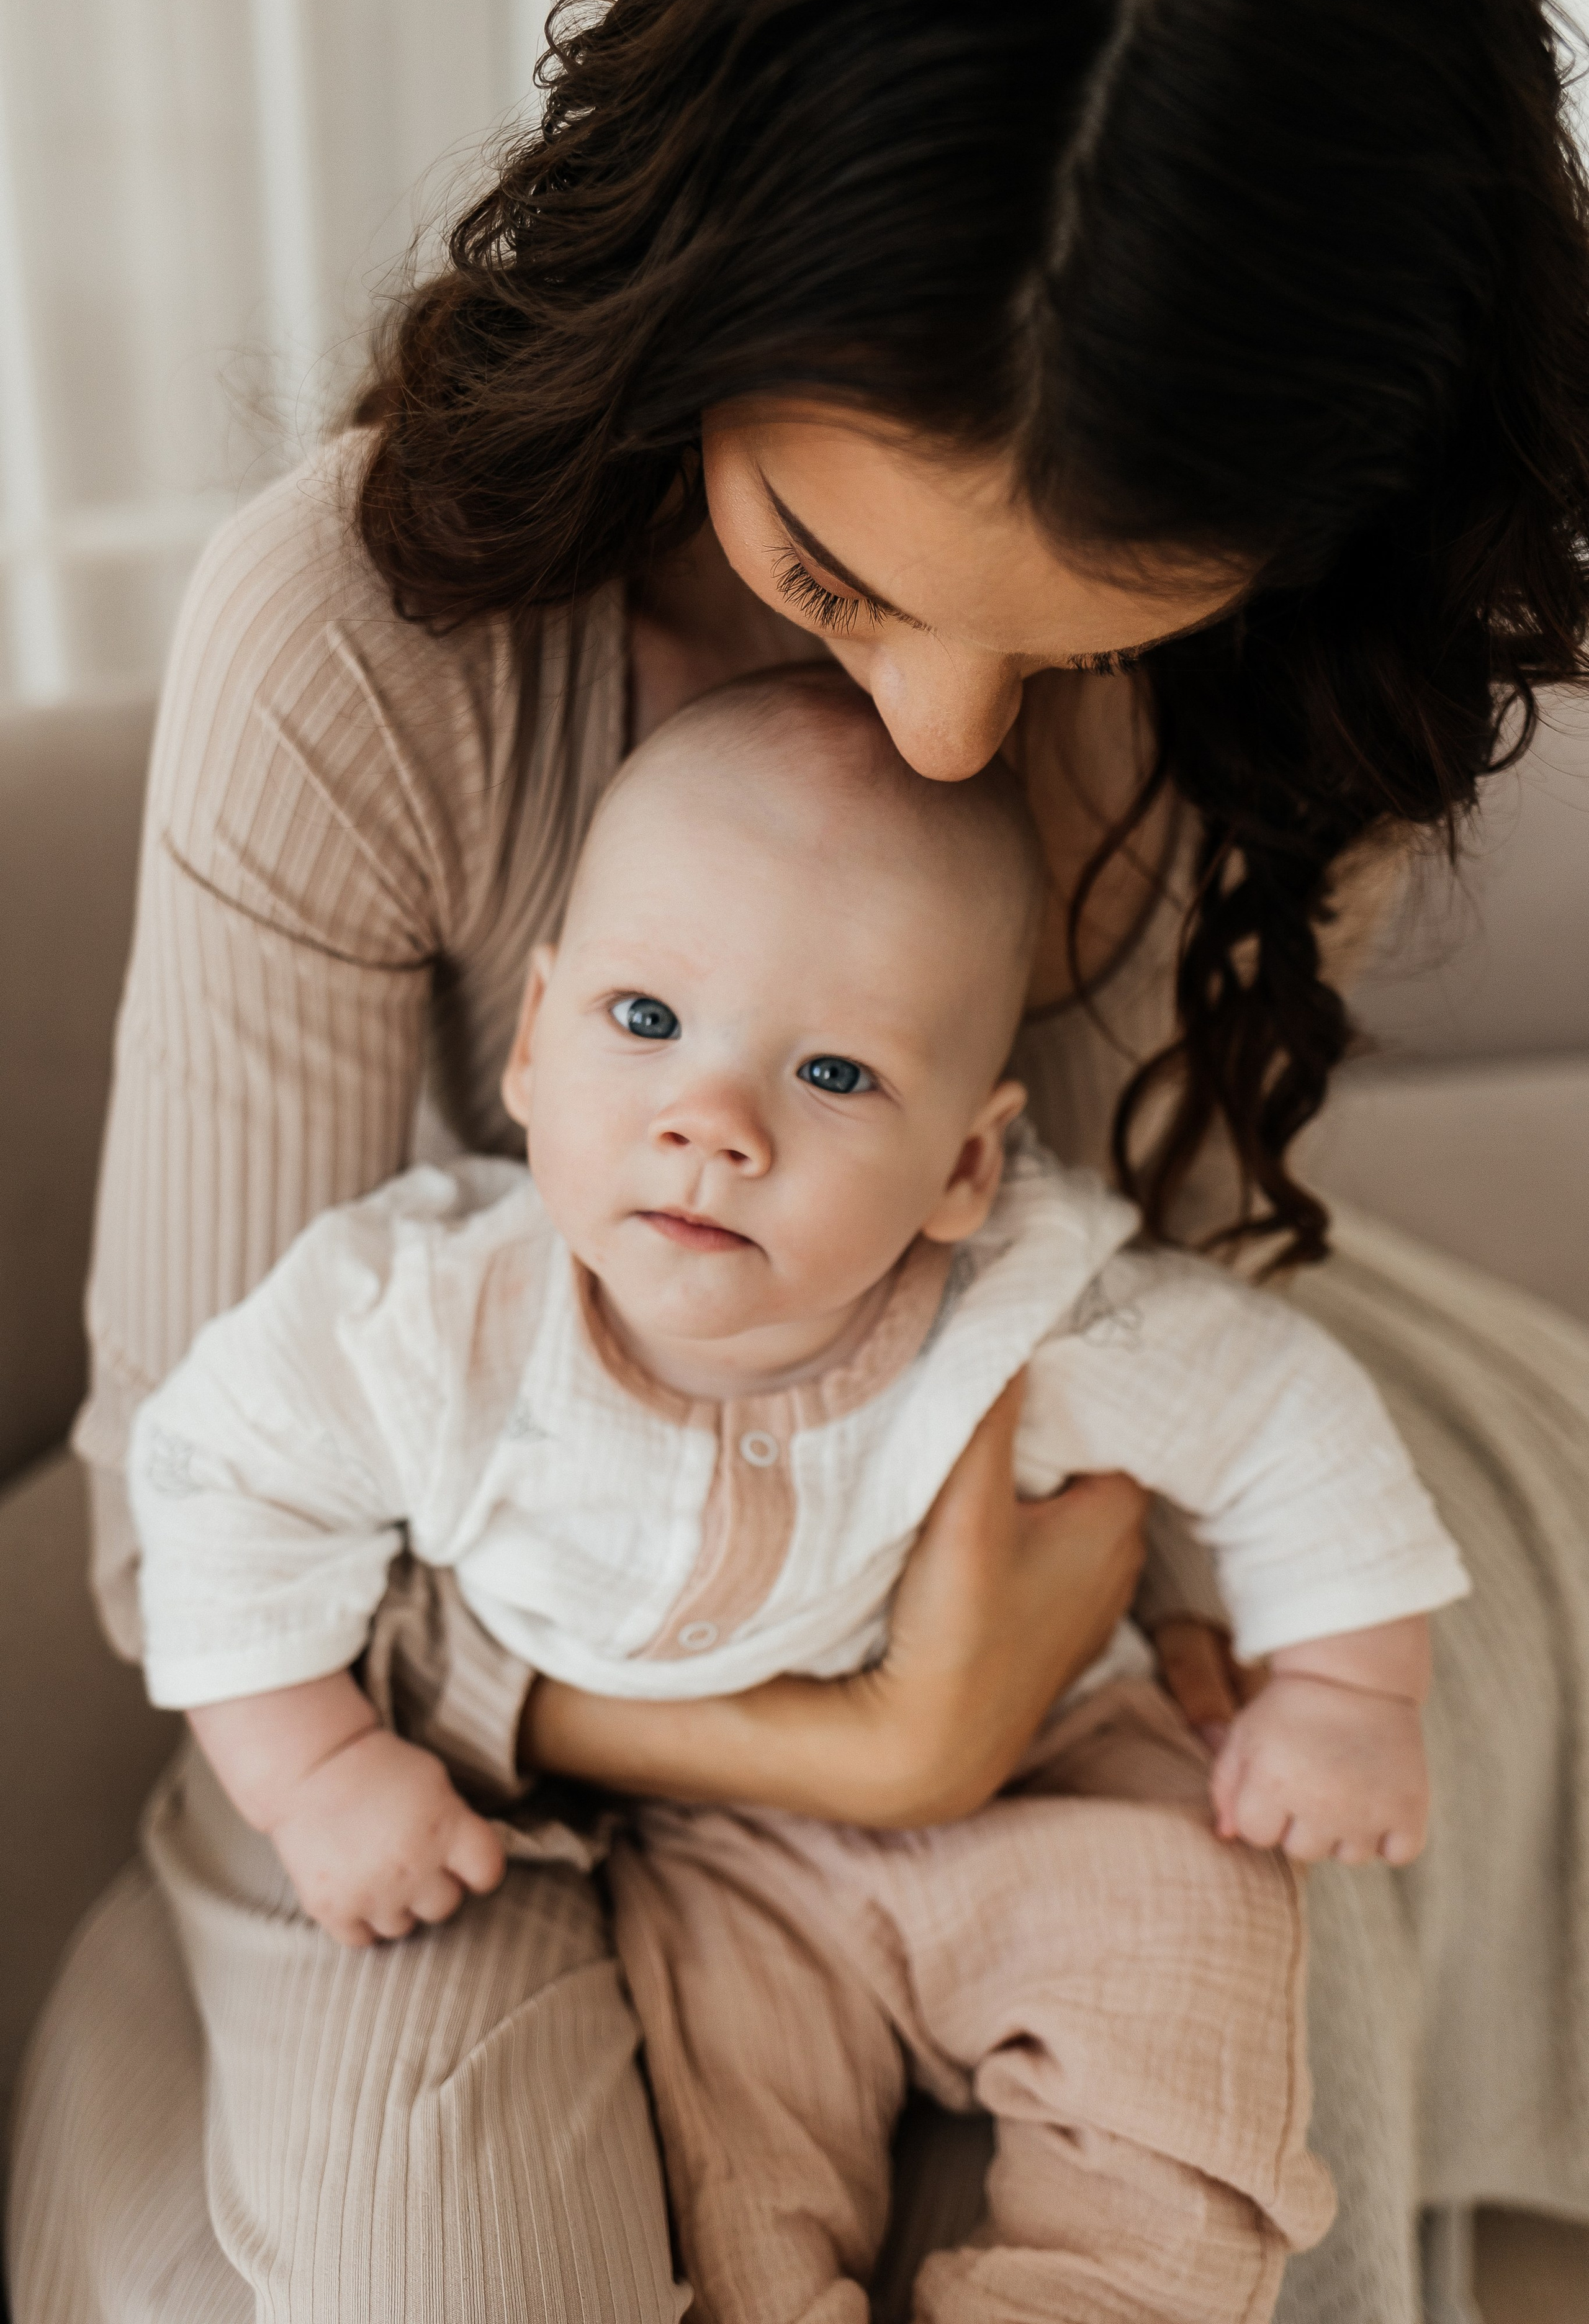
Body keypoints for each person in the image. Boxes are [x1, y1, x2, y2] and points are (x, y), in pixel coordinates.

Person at [9, 0, 1589, 2320]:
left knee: (1225, 2145)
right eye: (833, 571)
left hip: (1047, 1575)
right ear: (693, 310)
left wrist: (1088, 1701)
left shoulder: (1292, 670)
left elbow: (1147, 1339)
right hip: (482, 1627)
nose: (952, 742)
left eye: (1084, 643)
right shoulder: (361, 649)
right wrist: (865, 1748)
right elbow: (202, 1497)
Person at [125, 670, 1479, 2318]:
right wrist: (318, 1769)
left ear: (965, 1166)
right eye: (645, 1022)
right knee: (739, 2175)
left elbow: (1276, 1410)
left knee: (1189, 2025)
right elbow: (210, 1476)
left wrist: (1346, 1689)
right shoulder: (425, 1323)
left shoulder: (1030, 1311)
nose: (713, 1125)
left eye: (834, 1075)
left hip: (1058, 1787)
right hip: (715, 1854)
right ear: (536, 1041)